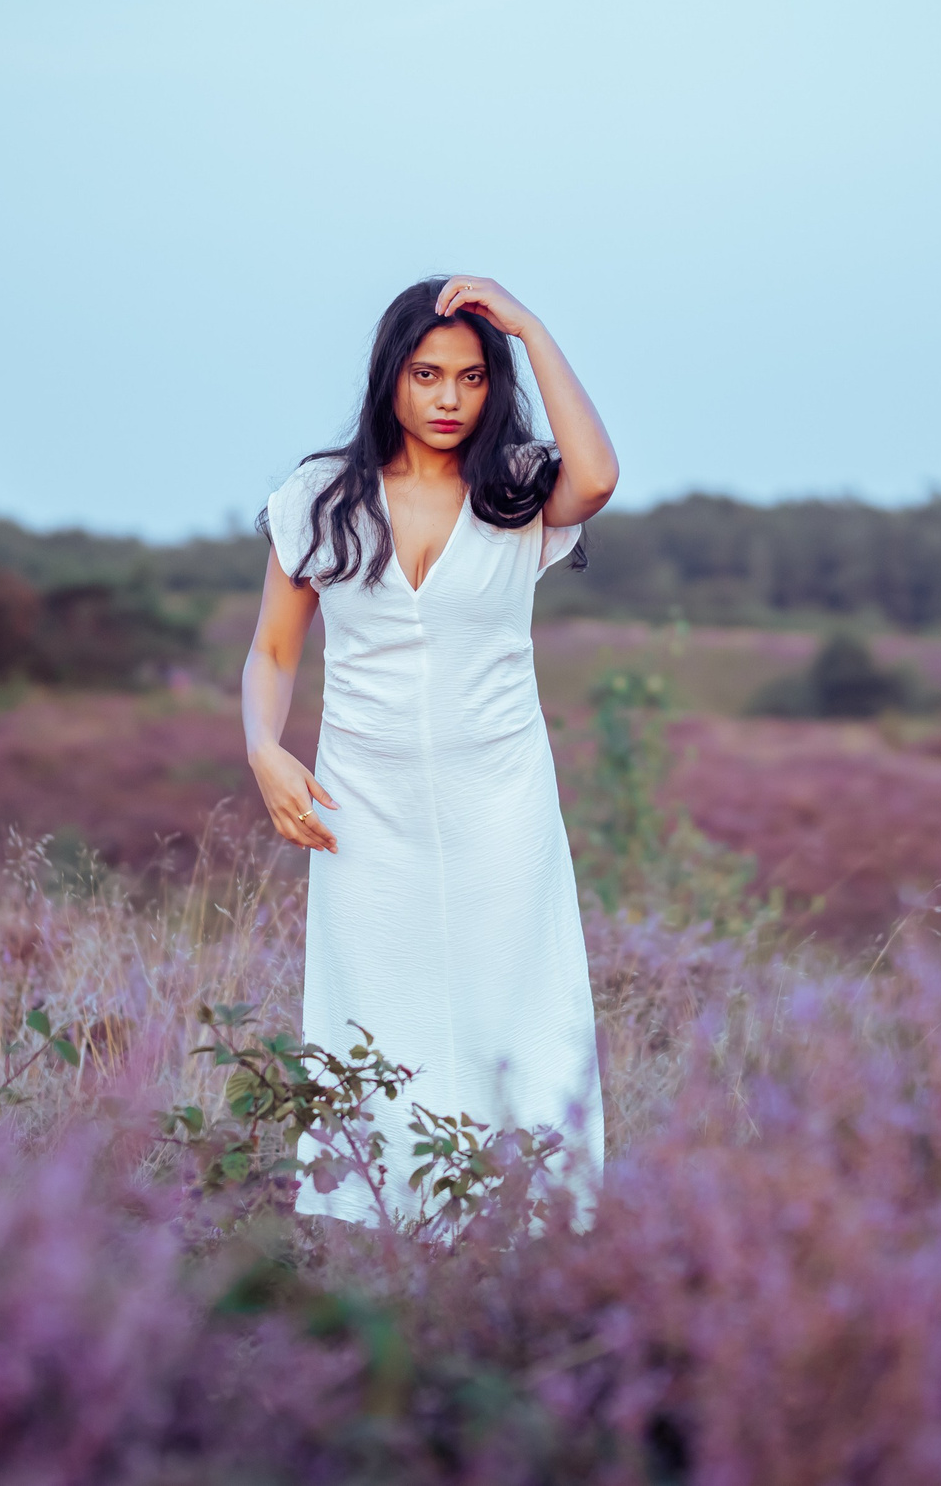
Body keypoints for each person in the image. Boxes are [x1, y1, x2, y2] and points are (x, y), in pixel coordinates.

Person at [243, 275, 619, 1227]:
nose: (449, 398)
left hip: (501, 796)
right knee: (374, 1014)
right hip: (363, 802)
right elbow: (275, 650)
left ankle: (528, 1232)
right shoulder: (321, 497)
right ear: (391, 379)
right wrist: (263, 748)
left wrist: (528, 326)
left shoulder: (518, 491)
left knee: (518, 1013)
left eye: (471, 377)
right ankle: (384, 1234)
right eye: (426, 374)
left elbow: (602, 476)